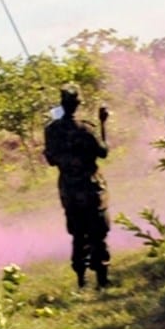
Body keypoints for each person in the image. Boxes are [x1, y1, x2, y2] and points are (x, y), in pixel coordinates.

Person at [43, 87, 111, 288]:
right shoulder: (86, 129)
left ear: (62, 105)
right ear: (77, 104)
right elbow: (103, 152)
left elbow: (51, 160)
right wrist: (103, 124)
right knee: (97, 232)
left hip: (68, 189)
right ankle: (102, 279)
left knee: (78, 233)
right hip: (90, 187)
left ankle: (81, 280)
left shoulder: (51, 130)